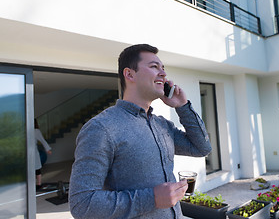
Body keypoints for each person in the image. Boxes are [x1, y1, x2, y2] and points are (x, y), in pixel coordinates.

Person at [69, 44, 212, 218]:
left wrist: (183, 107)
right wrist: (152, 199)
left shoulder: (162, 126)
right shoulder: (101, 128)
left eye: (163, 68)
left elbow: (202, 148)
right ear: (129, 74)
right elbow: (82, 204)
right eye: (154, 67)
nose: (163, 74)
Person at [34, 119, 52, 190]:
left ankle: (38, 184)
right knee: (36, 169)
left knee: (36, 168)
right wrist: (48, 149)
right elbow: (42, 140)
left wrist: (47, 149)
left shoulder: (35, 131)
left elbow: (42, 140)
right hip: (30, 152)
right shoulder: (35, 131)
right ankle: (38, 184)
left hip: (33, 152)